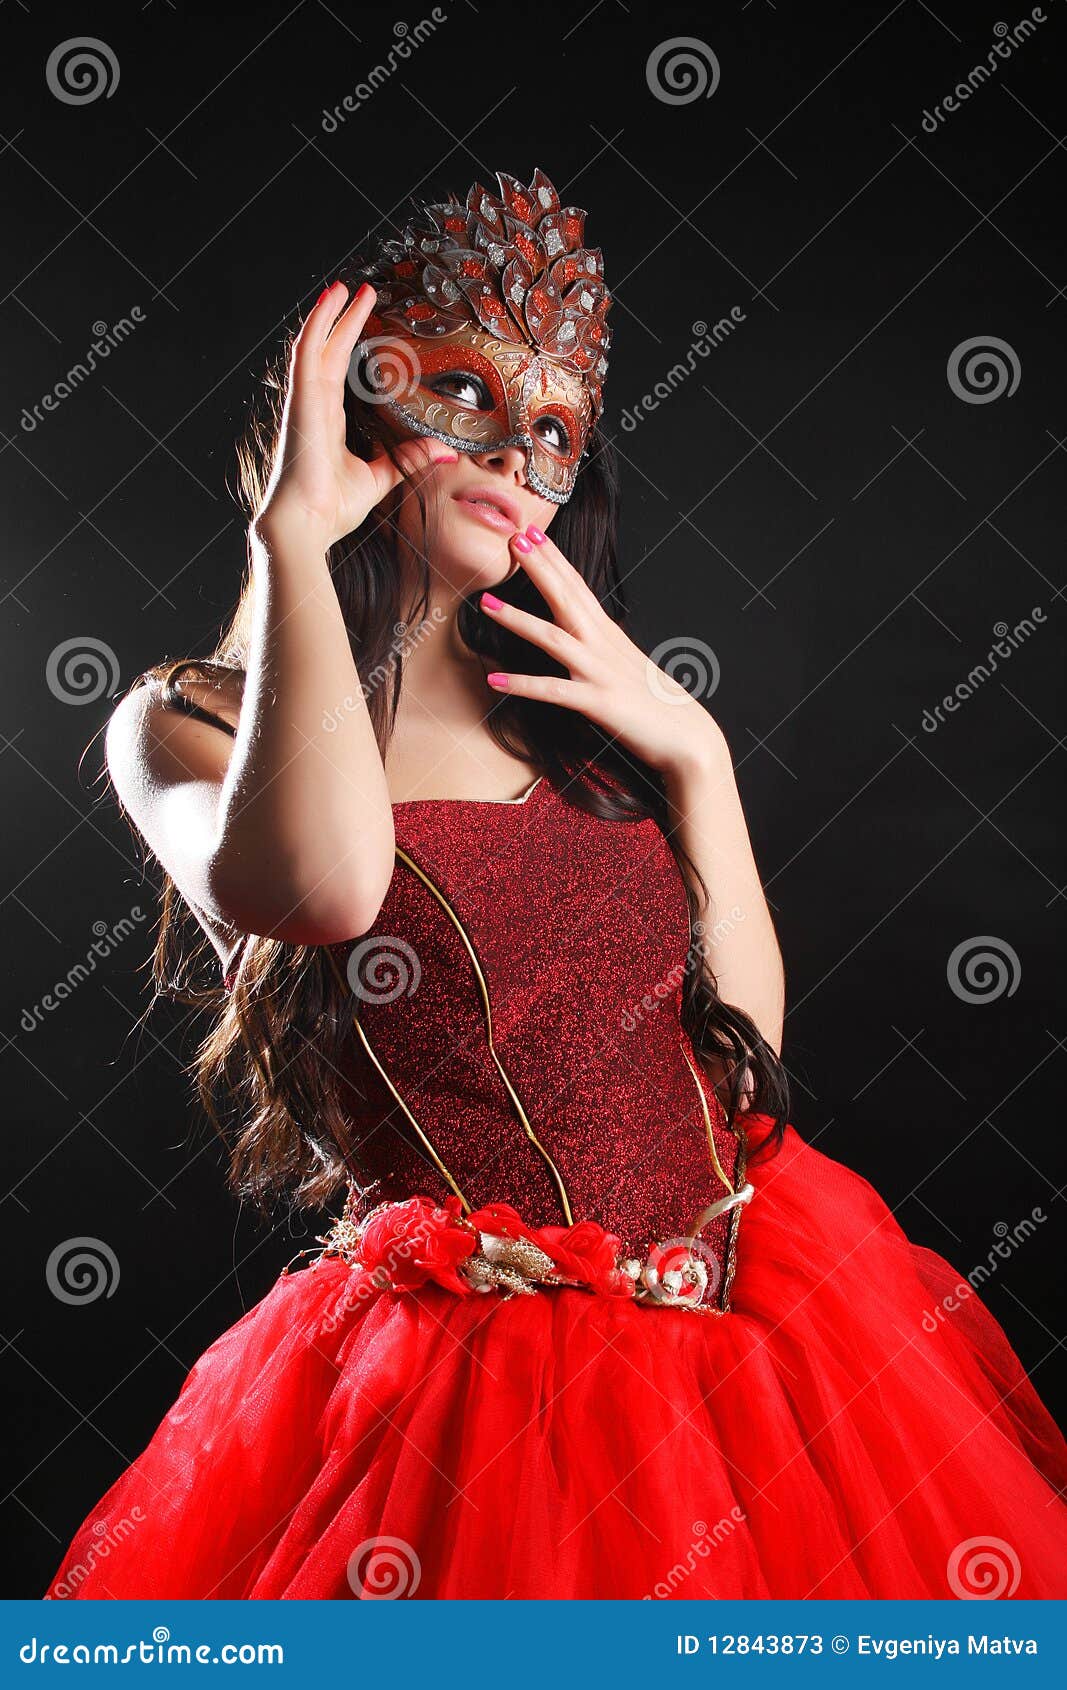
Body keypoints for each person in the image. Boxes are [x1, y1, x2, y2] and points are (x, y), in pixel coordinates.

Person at [46, 168, 1066, 1601]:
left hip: (755, 1331)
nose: (519, 457)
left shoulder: (571, 718)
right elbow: (336, 885)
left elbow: (744, 1063)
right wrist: (292, 535)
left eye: (555, 429)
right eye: (467, 393)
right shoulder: (185, 721)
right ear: (361, 395)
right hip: (466, 1396)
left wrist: (700, 763)